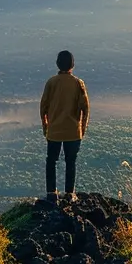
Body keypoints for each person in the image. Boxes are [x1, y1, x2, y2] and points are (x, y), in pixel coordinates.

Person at [39, 50, 89, 202]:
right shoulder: (78, 84)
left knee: (51, 161)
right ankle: (69, 194)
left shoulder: (51, 82)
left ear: (57, 64)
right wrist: (82, 128)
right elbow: (85, 108)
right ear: (72, 65)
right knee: (71, 162)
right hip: (73, 131)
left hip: (54, 131)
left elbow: (43, 107)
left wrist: (45, 126)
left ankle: (51, 193)